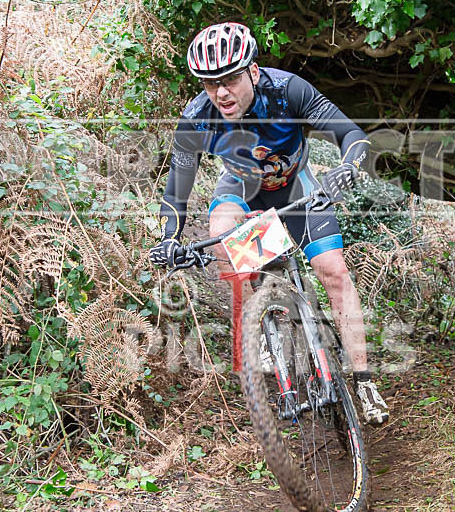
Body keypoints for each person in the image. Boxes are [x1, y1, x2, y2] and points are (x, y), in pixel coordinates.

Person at [149, 22, 389, 425]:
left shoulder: (287, 91)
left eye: (230, 79)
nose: (221, 93)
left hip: (297, 188)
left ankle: (363, 381)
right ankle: (260, 321)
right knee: (220, 231)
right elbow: (176, 192)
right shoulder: (197, 118)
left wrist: (347, 167)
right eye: (210, 84)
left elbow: (353, 136)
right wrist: (168, 238)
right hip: (242, 191)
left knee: (333, 271)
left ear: (254, 72)